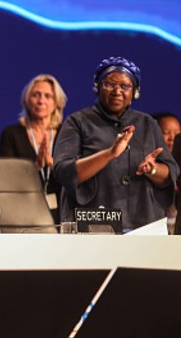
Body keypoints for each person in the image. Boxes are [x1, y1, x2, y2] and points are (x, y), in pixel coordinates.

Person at [53, 57, 179, 231]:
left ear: (135, 92)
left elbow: (170, 175)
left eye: (125, 86)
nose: (117, 91)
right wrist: (109, 154)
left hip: (142, 223)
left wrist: (152, 170)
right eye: (110, 84)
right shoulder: (77, 122)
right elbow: (64, 172)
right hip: (94, 224)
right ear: (97, 87)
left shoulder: (148, 123)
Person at [0, 74, 68, 221]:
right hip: (22, 210)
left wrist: (53, 164)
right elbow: (5, 178)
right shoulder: (11, 134)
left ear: (57, 103)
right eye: (36, 95)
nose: (41, 101)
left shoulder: (67, 134)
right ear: (27, 100)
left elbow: (76, 174)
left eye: (48, 96)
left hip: (62, 210)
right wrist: (35, 167)